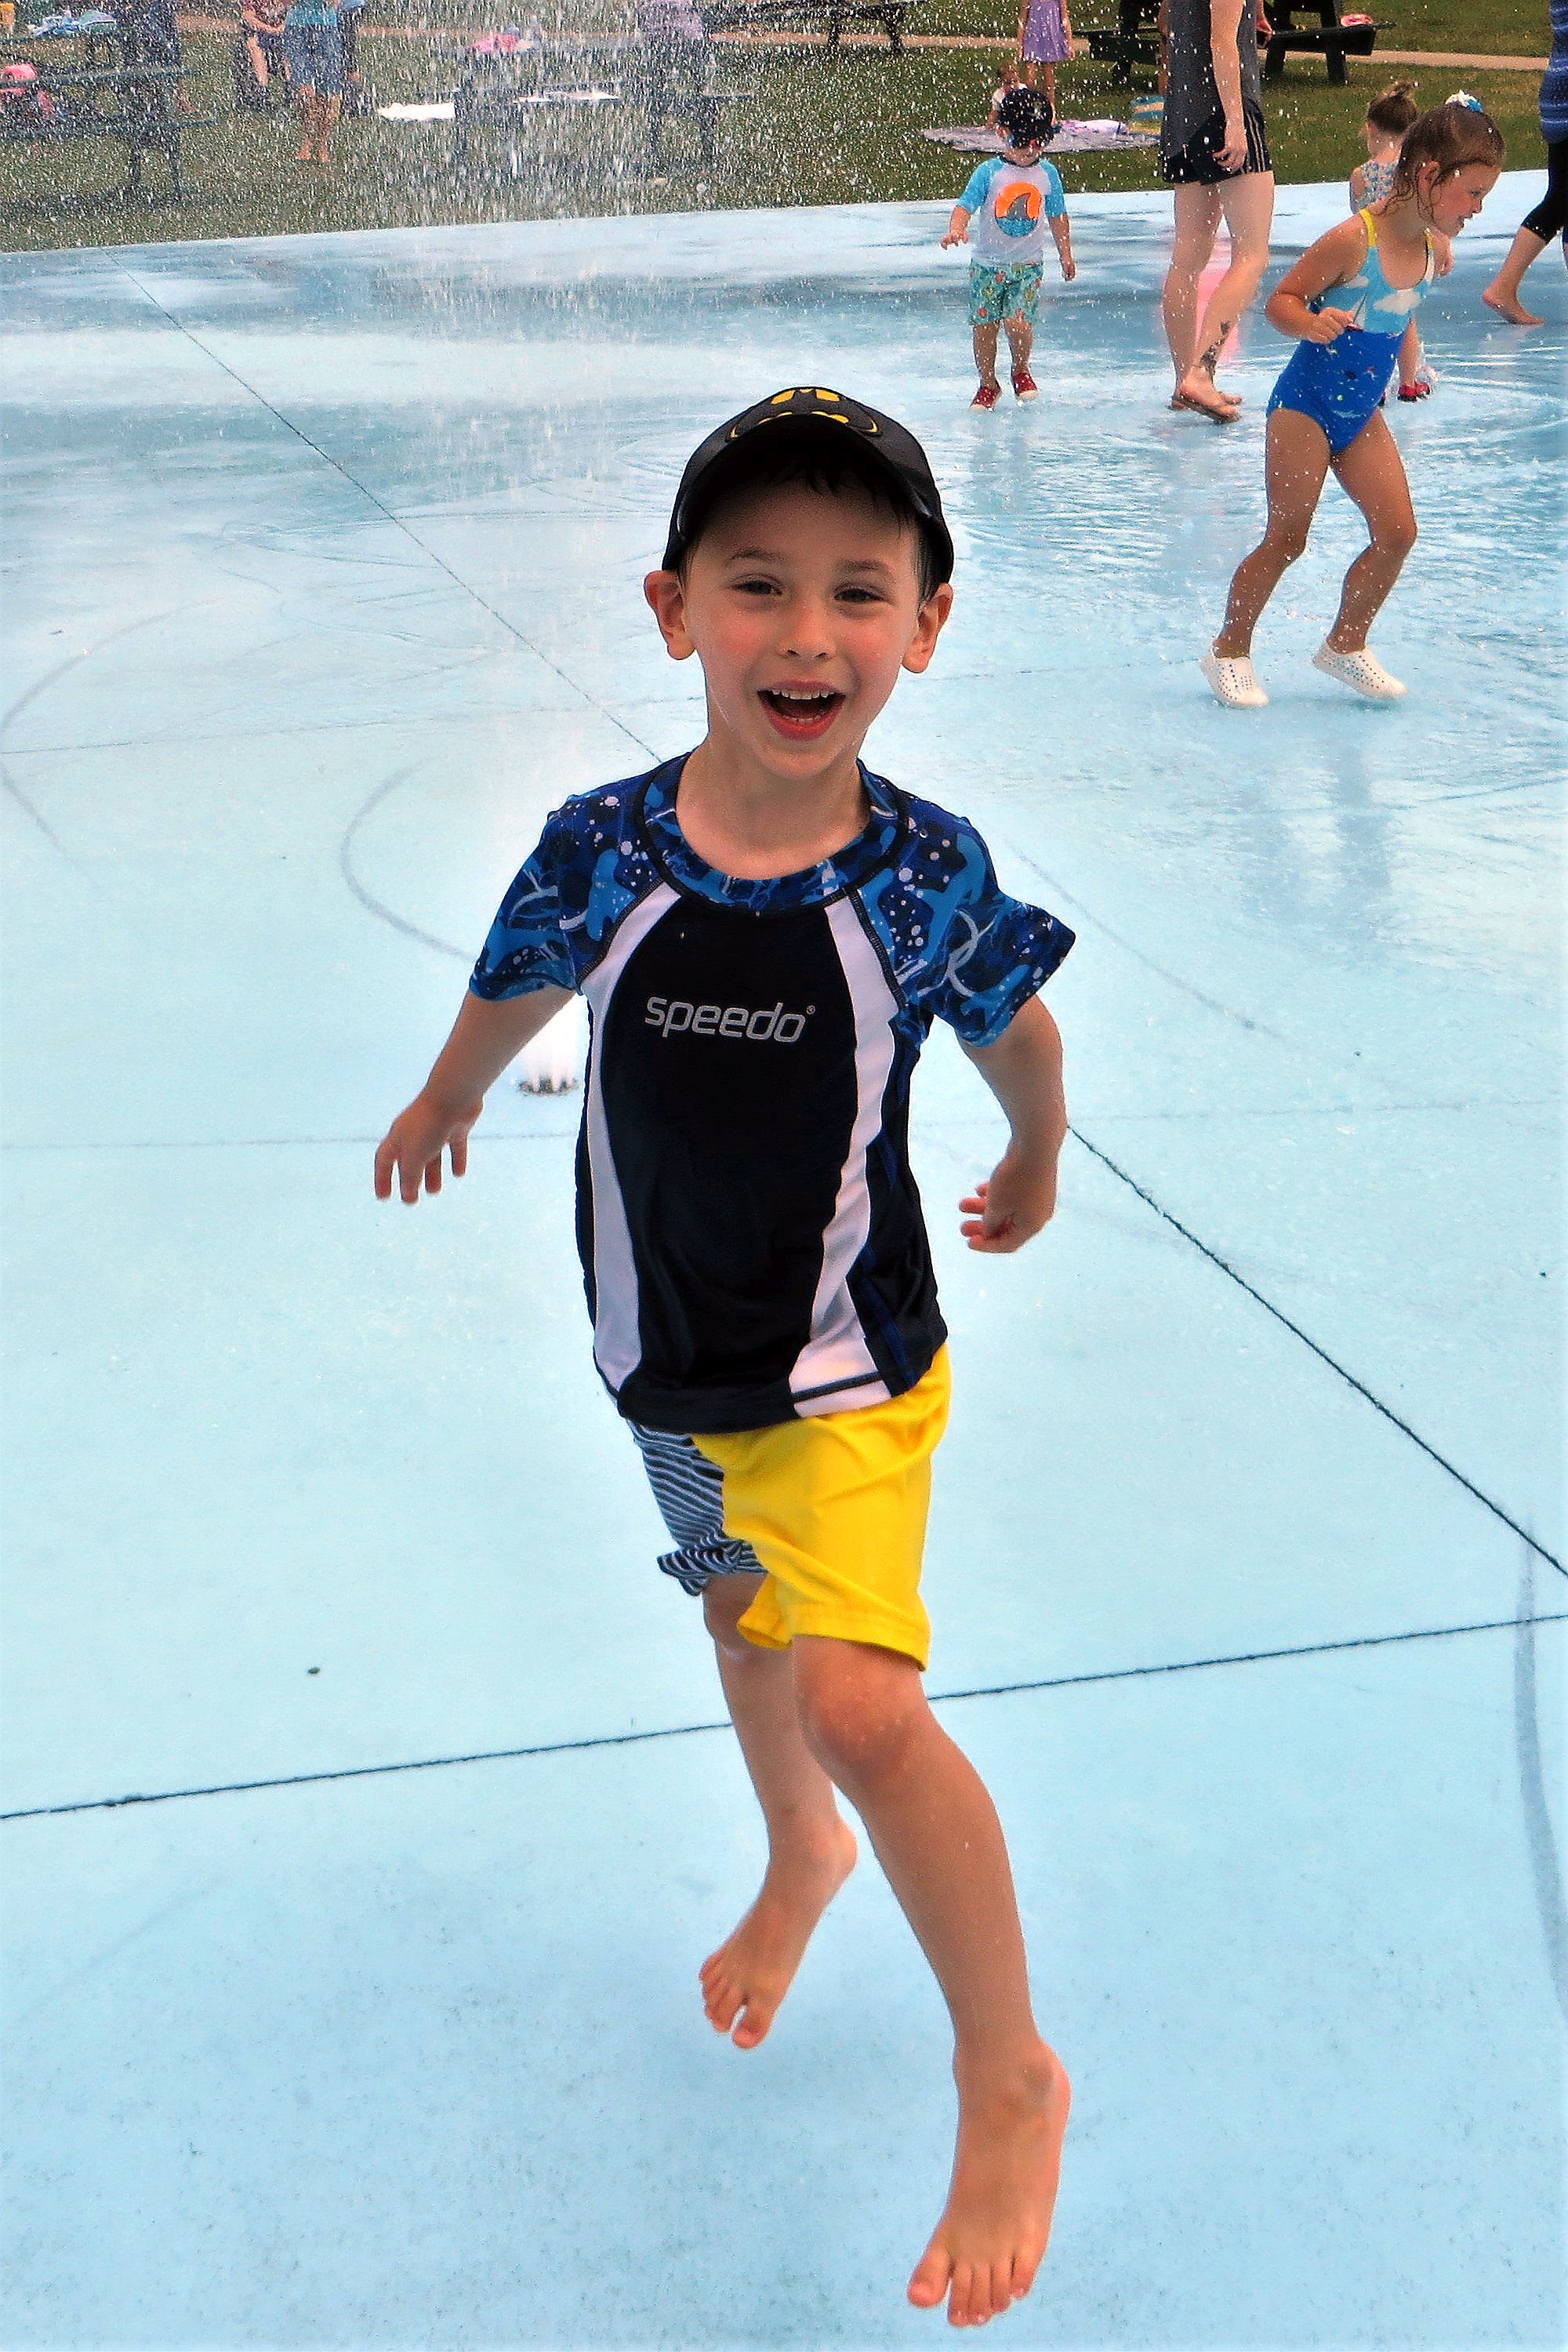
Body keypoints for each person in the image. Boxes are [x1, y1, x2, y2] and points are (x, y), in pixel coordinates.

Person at [373, 385, 1076, 2332]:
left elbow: (1012, 1027)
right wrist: (449, 1091)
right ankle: (797, 1857)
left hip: (847, 1372)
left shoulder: (916, 873)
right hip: (658, 1357)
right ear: (672, 604)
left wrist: (1033, 1147)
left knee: (862, 1700)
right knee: (739, 1614)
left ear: (925, 622)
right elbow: (517, 972)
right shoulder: (604, 845)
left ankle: (1007, 2068)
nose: (805, 631)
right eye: (756, 582)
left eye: (857, 589)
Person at [1200, 101, 1504, 709]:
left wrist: (1411, 370)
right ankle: (1228, 651)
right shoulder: (1352, 240)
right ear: (1429, 175)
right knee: (1287, 538)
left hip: (1360, 411)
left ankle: (1345, 644)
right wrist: (1309, 323)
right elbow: (1281, 300)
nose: (1478, 207)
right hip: (1306, 407)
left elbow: (1400, 311)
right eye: (1472, 193)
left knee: (1398, 532)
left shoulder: (1431, 246)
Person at [1158, 0, 1276, 421]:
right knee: (1252, 254)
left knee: (1188, 256)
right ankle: (1201, 374)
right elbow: (1221, 41)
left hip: (1183, 115)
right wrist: (1236, 123)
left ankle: (1184, 382)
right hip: (1222, 112)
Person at [941, 87, 1076, 409]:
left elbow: (1058, 216)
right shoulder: (990, 172)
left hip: (1027, 266)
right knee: (985, 328)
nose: (1030, 150)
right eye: (1022, 141)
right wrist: (956, 229)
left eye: (1039, 142)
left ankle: (1020, 369)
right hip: (987, 267)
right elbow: (965, 205)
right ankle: (988, 383)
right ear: (1003, 134)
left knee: (1018, 323)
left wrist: (1066, 254)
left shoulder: (1047, 174)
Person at [1349, 79, 1443, 400]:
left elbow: (1359, 217)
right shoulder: (1415, 170)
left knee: (1366, 318)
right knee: (1405, 315)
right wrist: (1442, 245)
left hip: (1371, 253)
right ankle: (1408, 381)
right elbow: (1430, 210)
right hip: (1409, 251)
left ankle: (1371, 382)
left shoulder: (1361, 175)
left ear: (1370, 128)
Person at [1482, 0, 1567, 325]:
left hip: (1559, 91)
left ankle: (1504, 287)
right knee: (1560, 200)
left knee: (1562, 197)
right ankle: (1503, 286)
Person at [282, 0, 343, 164]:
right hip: (296, 30)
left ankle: (323, 142)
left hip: (326, 30)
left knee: (327, 94)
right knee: (304, 91)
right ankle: (307, 139)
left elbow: (335, 2)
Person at [1017, 0, 1072, 111]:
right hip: (1032, 39)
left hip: (1050, 39)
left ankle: (1051, 110)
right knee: (1030, 80)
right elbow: (1022, 20)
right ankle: (1029, 108)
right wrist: (1020, 45)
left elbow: (1064, 17)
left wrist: (1069, 43)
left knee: (1049, 82)